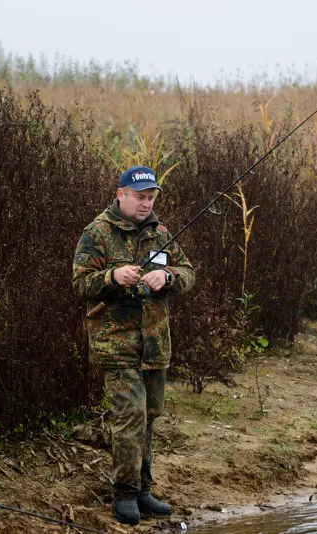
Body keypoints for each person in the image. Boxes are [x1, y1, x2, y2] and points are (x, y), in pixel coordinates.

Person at [72, 166, 195, 525]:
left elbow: (188, 272)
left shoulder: (162, 234)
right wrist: (112, 276)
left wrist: (168, 276)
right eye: (140, 196)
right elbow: (80, 285)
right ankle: (124, 493)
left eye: (151, 197)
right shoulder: (97, 233)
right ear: (121, 194)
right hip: (116, 344)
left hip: (156, 343)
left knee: (150, 416)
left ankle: (143, 490)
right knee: (130, 415)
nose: (146, 203)